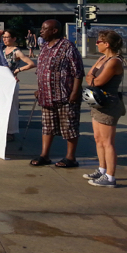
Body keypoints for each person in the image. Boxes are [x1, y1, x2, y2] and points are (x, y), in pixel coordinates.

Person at [31, 19, 84, 168]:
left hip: (65, 96)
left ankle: (70, 158)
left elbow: (78, 72)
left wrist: (74, 92)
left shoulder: (68, 46)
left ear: (54, 30)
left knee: (69, 127)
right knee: (47, 127)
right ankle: (44, 155)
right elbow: (41, 69)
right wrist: (40, 89)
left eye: (44, 29)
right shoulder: (44, 47)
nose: (41, 31)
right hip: (46, 96)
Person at [82, 30, 125, 188]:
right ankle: (102, 169)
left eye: (99, 41)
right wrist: (92, 79)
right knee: (98, 138)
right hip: (97, 102)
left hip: (108, 103)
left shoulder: (114, 61)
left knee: (108, 141)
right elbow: (89, 76)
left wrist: (92, 79)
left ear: (106, 44)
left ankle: (110, 176)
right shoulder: (102, 58)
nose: (96, 44)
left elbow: (97, 81)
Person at [2, 29, 36, 141]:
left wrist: (18, 70)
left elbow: (31, 63)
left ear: (13, 39)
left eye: (7, 37)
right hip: (0, 82)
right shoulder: (1, 50)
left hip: (11, 82)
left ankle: (11, 132)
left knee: (12, 108)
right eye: (4, 37)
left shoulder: (16, 51)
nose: (5, 39)